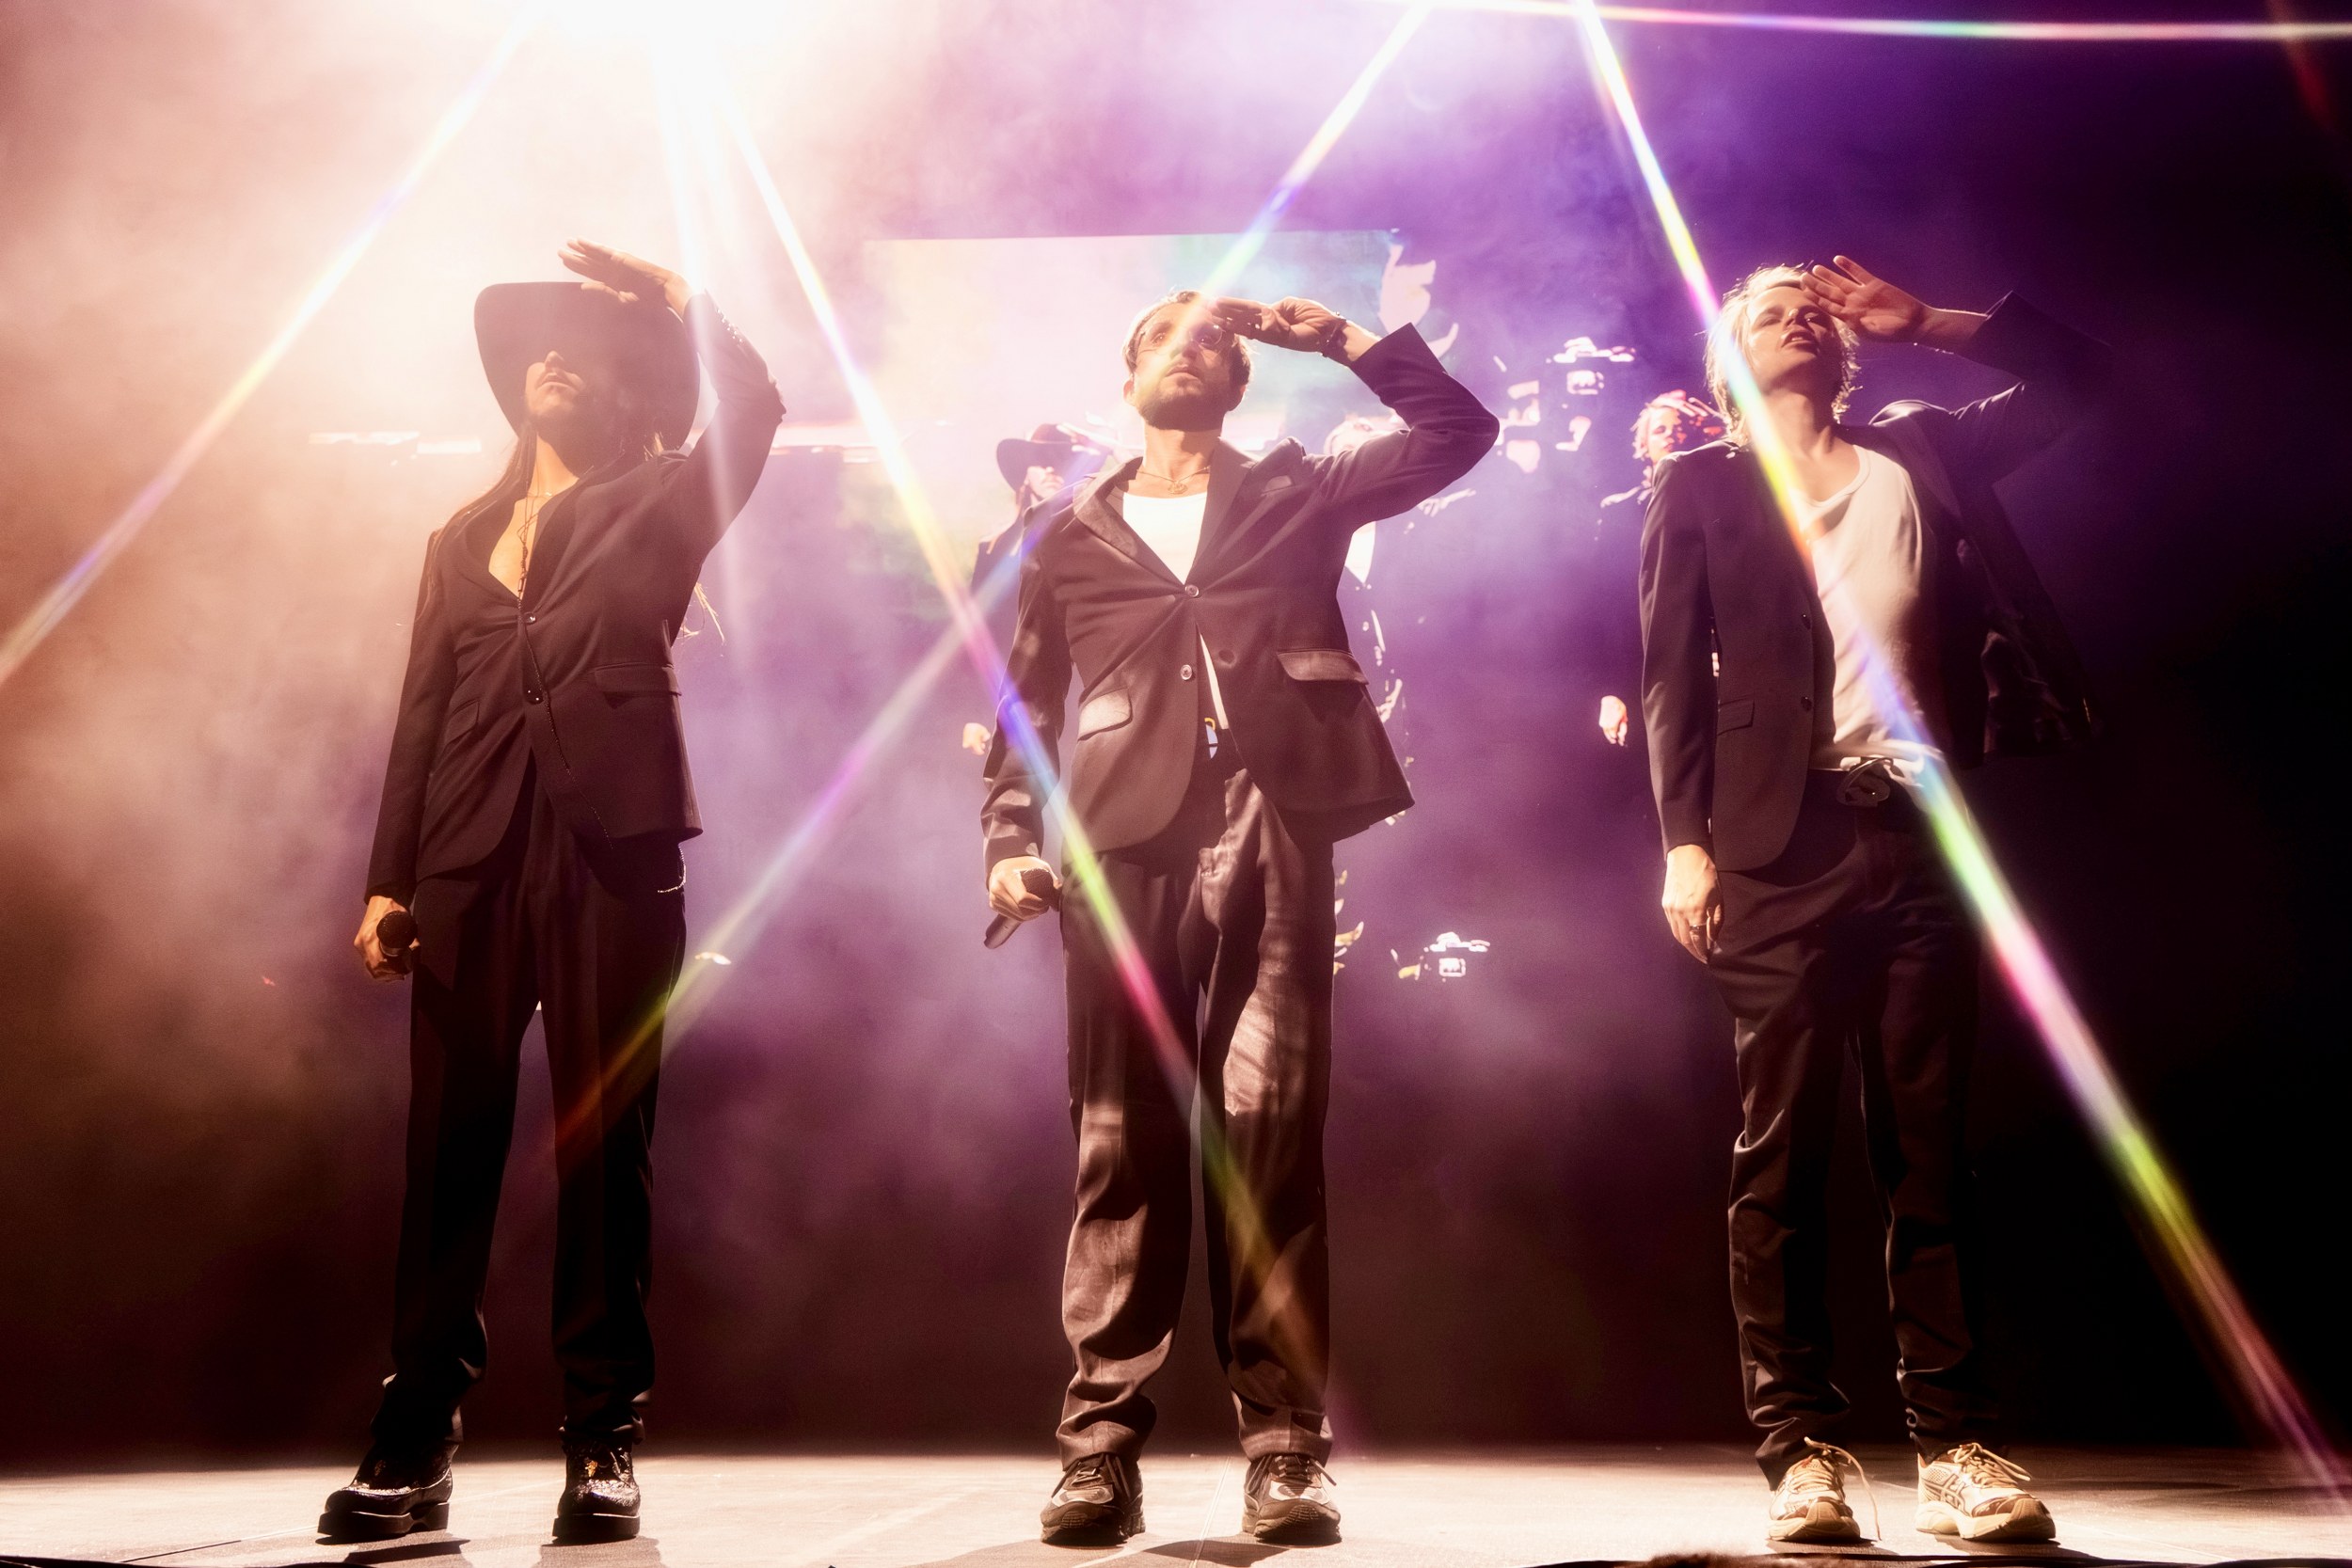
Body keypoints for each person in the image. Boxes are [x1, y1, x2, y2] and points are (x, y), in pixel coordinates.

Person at [983, 290, 1497, 1544]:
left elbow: (1458, 432)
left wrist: (1343, 341)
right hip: (1117, 835)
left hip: (1273, 811)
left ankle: (1284, 1448)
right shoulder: (1065, 528)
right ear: (1128, 376)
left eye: (1212, 340)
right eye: (1163, 338)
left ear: (1238, 377)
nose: (1190, 350)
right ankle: (1099, 1448)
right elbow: (1023, 699)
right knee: (1120, 1135)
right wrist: (1008, 838)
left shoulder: (1295, 488)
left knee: (1269, 1131)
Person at [322, 241, 785, 1544]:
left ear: (628, 388)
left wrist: (685, 300)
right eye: (536, 345)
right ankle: (413, 1436)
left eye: (583, 348)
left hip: (609, 852)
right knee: (446, 1150)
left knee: (603, 1144)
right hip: (467, 860)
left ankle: (602, 1437)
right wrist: (390, 877)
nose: (552, 357)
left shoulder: (660, 502)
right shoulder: (459, 537)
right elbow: (420, 714)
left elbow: (756, 409)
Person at [1639, 256, 2106, 1544]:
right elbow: (1669, 677)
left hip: (1922, 829)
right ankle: (1801, 1449)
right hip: (1774, 845)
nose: (1797, 311)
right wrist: (1684, 846)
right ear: (1729, 358)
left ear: (1846, 344)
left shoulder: (1923, 448)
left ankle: (1955, 1444)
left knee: (1928, 1146)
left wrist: (1932, 323)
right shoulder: (1699, 483)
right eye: (1765, 307)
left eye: (1812, 302)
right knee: (1781, 1148)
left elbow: (2080, 379)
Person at [963, 423, 1109, 756]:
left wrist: (1106, 449)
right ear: (1025, 474)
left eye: (1059, 460)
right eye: (1041, 461)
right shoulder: (993, 549)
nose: (1051, 469)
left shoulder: (1093, 539)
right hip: (1010, 698)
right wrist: (975, 712)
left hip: (1078, 699)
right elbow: (978, 636)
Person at [1598, 391, 1723, 747]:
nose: (1671, 434)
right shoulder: (1619, 510)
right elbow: (1610, 606)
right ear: (1644, 444)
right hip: (1644, 668)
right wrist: (1612, 690)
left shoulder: (1720, 501)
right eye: (1660, 429)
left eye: (1680, 427)